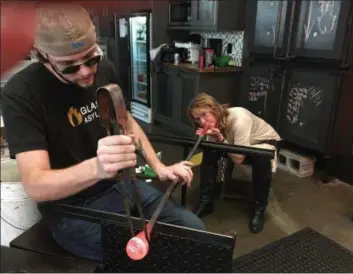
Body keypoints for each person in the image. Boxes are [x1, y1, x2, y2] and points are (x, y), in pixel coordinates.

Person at [0, 3, 205, 261]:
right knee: (146, 257)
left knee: (195, 234)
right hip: (70, 209)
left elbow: (127, 121)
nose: (86, 72)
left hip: (119, 186)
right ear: (42, 55)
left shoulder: (105, 68)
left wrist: (159, 166)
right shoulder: (21, 94)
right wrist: (97, 168)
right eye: (70, 67)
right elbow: (36, 185)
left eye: (91, 59)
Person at [187, 93, 281, 233]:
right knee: (209, 151)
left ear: (214, 109)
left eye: (204, 114)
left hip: (262, 142)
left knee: (261, 159)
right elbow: (223, 147)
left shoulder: (239, 118)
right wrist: (213, 139)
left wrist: (219, 137)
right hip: (238, 144)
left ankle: (259, 208)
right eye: (197, 119)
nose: (202, 121)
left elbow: (238, 158)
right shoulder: (215, 122)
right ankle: (205, 201)